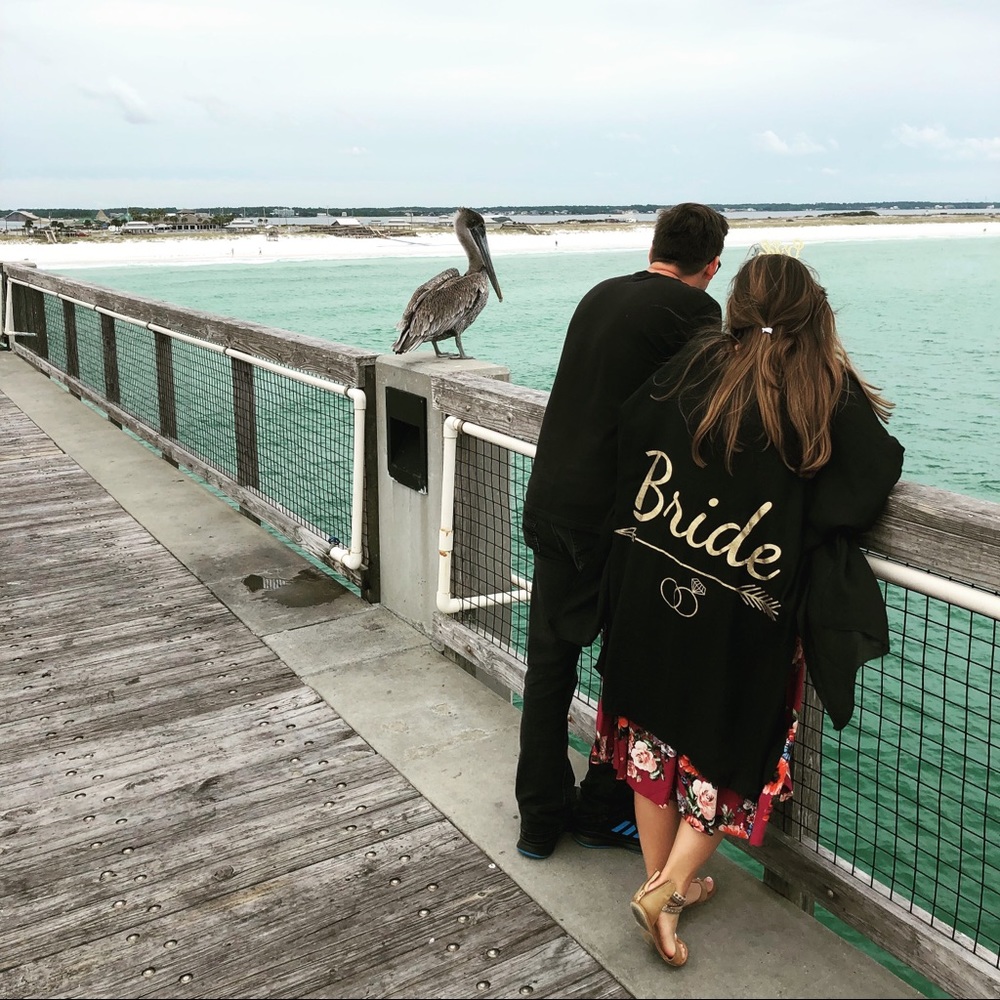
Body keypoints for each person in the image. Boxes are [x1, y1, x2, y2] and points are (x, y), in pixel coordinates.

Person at [591, 248, 904, 966]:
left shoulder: (692, 367)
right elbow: (869, 479)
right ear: (813, 318)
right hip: (740, 620)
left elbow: (633, 427)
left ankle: (666, 891)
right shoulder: (821, 394)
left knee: (653, 745)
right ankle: (668, 888)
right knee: (725, 755)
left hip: (652, 590)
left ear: (737, 308)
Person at [516, 203, 730, 860]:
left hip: (552, 496)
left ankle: (538, 820)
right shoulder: (698, 314)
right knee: (629, 669)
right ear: (712, 265)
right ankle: (607, 809)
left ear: (654, 247)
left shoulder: (599, 295)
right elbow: (701, 414)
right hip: (615, 521)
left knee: (550, 665)